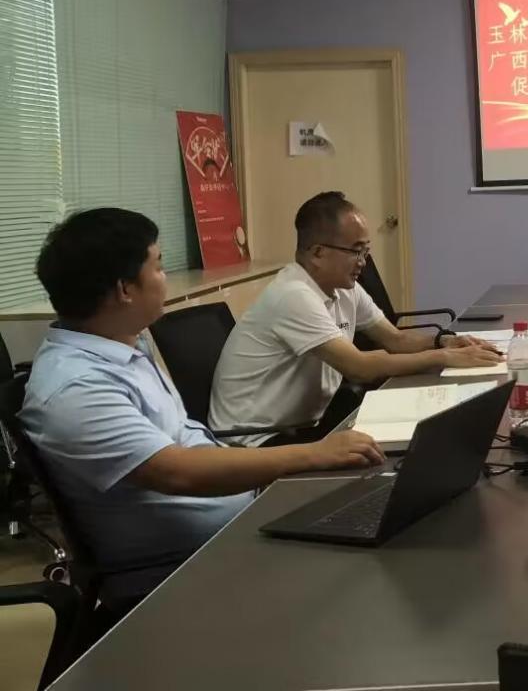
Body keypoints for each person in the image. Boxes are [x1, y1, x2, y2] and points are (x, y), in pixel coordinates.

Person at [19, 208, 385, 609]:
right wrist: (313, 455)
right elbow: (176, 472)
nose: (166, 278)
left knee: (374, 508)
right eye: (159, 267)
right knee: (364, 578)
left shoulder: (123, 344)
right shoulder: (76, 388)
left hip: (239, 521)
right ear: (125, 290)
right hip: (184, 570)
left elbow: (185, 440)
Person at [211, 191, 501, 444]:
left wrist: (445, 342)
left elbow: (395, 340)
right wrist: (444, 358)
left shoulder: (344, 288)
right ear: (318, 253)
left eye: (366, 251)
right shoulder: (293, 295)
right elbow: (359, 367)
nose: (363, 262)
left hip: (306, 422)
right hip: (256, 440)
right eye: (356, 251)